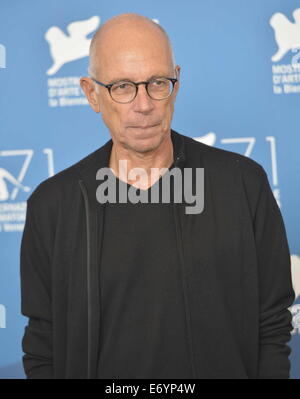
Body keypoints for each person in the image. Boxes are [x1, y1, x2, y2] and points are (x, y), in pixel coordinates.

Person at [20, 13, 295, 379]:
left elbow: (272, 326)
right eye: (122, 86)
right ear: (92, 94)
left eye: (157, 83)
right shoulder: (53, 205)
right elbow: (43, 344)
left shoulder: (243, 184)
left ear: (176, 84)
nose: (144, 104)